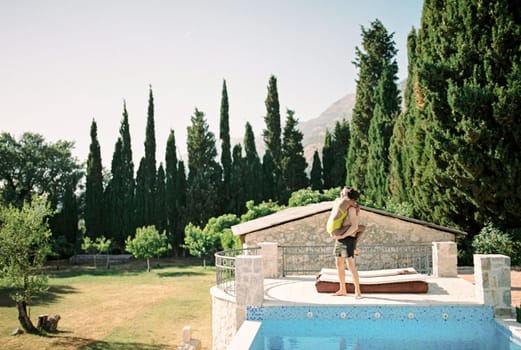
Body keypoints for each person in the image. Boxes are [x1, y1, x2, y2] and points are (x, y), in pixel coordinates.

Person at [331, 188, 364, 298]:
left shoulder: (352, 209)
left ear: (348, 196)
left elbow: (354, 227)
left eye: (343, 193)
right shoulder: (344, 206)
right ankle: (342, 289)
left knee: (350, 266)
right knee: (339, 264)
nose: (341, 194)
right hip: (340, 239)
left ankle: (358, 291)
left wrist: (343, 235)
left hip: (348, 238)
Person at [326, 187, 365, 256]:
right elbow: (356, 206)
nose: (341, 194)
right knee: (361, 228)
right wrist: (343, 236)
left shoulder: (338, 201)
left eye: (343, 193)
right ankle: (354, 247)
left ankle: (353, 247)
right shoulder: (347, 201)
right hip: (334, 229)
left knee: (354, 228)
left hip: (331, 227)